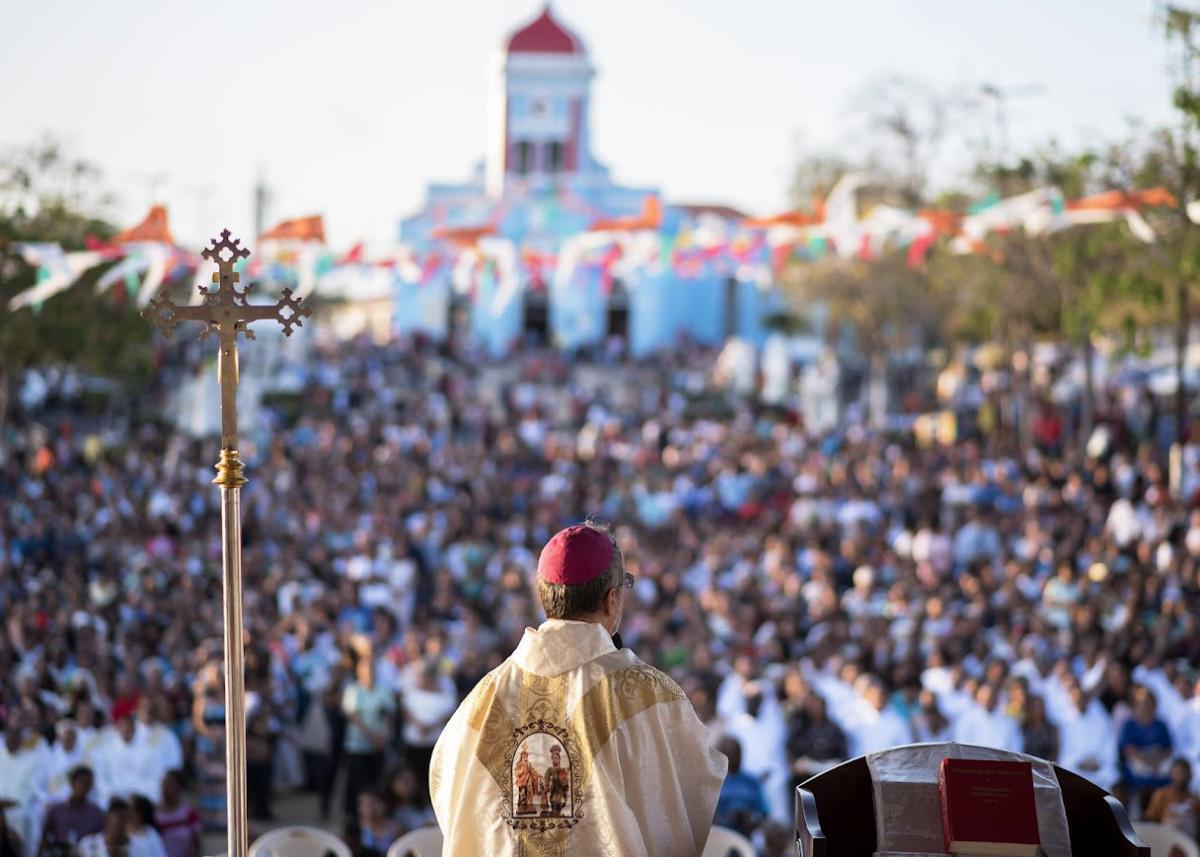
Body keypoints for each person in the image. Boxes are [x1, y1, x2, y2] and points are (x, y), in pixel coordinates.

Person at [429, 522, 727, 856]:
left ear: (543, 596)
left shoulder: (483, 699)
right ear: (612, 600)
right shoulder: (646, 694)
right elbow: (691, 788)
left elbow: (448, 792)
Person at [340, 639, 395, 817]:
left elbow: (389, 714)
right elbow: (353, 716)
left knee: (376, 782)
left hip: (378, 746)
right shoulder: (353, 690)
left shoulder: (383, 691)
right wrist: (373, 737)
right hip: (358, 746)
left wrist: (384, 736)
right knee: (356, 782)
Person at [0, 720, 48, 857]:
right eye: (8, 739)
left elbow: (35, 788)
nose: (11, 743)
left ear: (21, 740)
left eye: (14, 739)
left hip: (18, 808)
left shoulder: (32, 758)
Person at [1119, 691, 1174, 808]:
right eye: (1142, 703)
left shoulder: (1161, 724)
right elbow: (1128, 750)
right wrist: (1147, 761)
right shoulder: (1129, 724)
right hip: (1139, 760)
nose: (1145, 706)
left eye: (1148, 703)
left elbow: (1168, 748)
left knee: (1173, 772)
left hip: (1158, 760)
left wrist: (1156, 761)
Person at [39, 767, 105, 856]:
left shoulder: (96, 813)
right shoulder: (56, 811)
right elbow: (44, 840)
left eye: (88, 784)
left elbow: (101, 842)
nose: (84, 787)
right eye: (81, 782)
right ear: (72, 782)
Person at [713, 737, 768, 836]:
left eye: (737, 752)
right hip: (720, 834)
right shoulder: (714, 781)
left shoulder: (751, 782)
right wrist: (727, 818)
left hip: (746, 835)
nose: (735, 757)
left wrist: (750, 817)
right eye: (730, 753)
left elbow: (764, 813)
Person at [1144, 758, 1200, 842]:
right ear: (1171, 774)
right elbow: (1150, 820)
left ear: (1190, 776)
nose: (1181, 778)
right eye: (1178, 773)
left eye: (1184, 774)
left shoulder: (1195, 799)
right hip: (1166, 841)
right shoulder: (1161, 795)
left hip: (1189, 844)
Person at [155, 771, 201, 857]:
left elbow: (197, 843)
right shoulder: (155, 815)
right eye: (164, 783)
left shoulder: (189, 813)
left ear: (179, 786)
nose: (165, 787)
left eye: (170, 784)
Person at [356, 789, 401, 857]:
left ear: (384, 805)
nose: (370, 807)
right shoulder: (355, 828)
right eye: (365, 804)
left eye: (373, 802)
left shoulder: (397, 828)